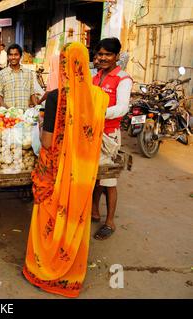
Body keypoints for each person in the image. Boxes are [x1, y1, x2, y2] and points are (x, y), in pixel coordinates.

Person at [22, 42, 109, 298]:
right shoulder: (97, 97)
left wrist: (39, 126)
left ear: (62, 66)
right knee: (74, 218)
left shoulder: (55, 97)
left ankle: (44, 270)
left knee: (48, 219)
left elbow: (47, 142)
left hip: (55, 172)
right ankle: (70, 275)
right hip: (80, 176)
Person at [91, 37, 132, 240]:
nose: (103, 58)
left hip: (108, 134)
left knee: (108, 179)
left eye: (108, 54)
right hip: (92, 133)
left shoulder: (123, 79)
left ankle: (110, 222)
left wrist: (98, 112)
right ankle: (95, 211)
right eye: (100, 54)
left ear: (116, 56)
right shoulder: (96, 76)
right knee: (96, 176)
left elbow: (123, 108)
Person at [0, 44, 39, 109]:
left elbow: (32, 92)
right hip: (9, 114)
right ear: (7, 56)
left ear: (20, 56)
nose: (13, 57)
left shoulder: (28, 73)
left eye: (16, 54)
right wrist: (3, 107)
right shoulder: (1, 74)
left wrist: (37, 107)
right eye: (11, 55)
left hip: (25, 114)